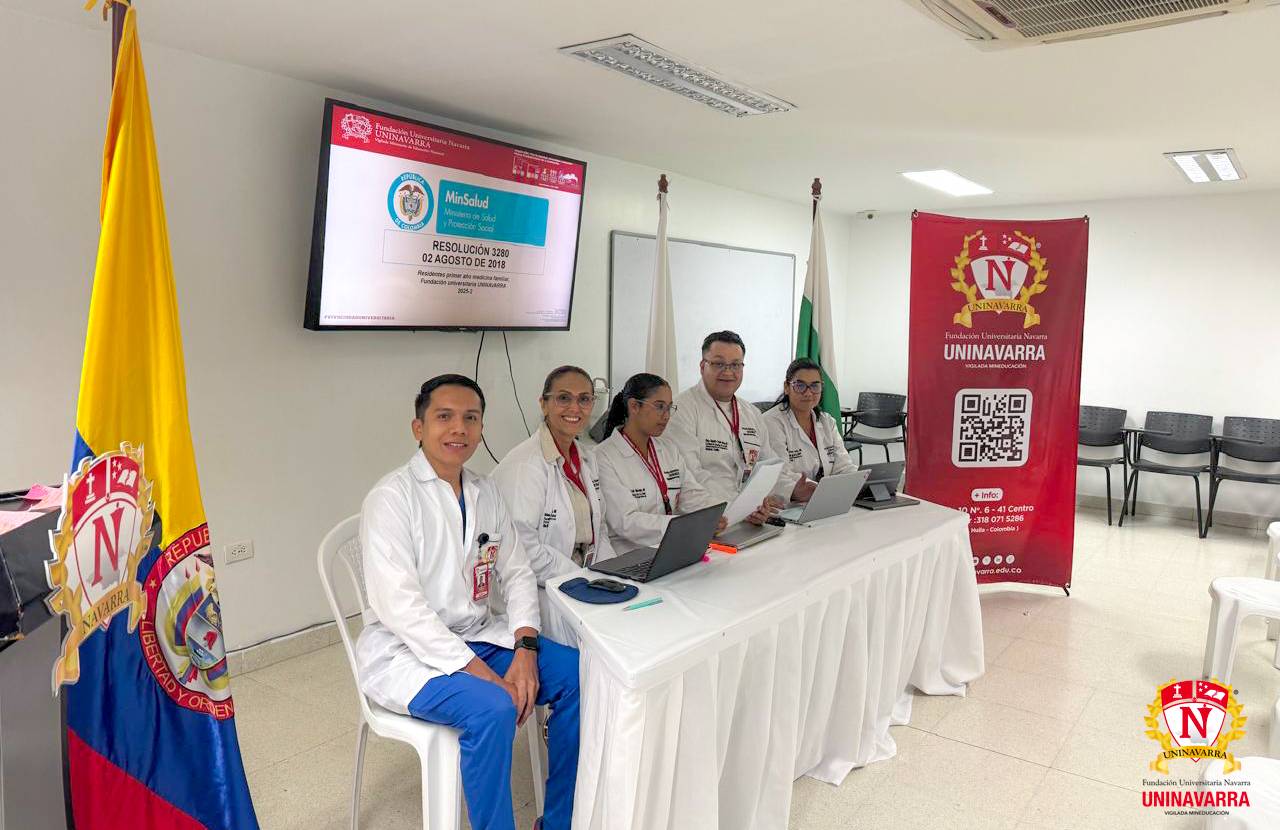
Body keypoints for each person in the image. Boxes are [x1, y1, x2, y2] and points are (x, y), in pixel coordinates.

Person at [356, 374, 579, 830]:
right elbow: (401, 609)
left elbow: (518, 573)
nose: (459, 428)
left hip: (478, 634)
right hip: (407, 652)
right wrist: (484, 676)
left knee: (579, 675)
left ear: (480, 429)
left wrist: (526, 650)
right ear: (418, 428)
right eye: (445, 416)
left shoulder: (485, 491)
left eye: (471, 418)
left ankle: (558, 822)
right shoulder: (391, 498)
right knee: (493, 707)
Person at [493, 365, 615, 585]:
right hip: (542, 586)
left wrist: (611, 574)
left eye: (584, 399)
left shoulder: (587, 458)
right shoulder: (524, 466)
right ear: (544, 404)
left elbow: (599, 528)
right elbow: (523, 549)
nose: (575, 408)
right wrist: (584, 580)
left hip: (584, 576)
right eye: (563, 398)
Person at [665, 330, 793, 522]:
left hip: (750, 517)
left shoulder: (751, 413)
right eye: (718, 364)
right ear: (702, 366)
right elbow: (690, 476)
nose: (728, 372)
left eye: (735, 365)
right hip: (707, 519)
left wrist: (764, 501)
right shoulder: (680, 410)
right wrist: (739, 507)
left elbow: (768, 465)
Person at [595, 373, 727, 551]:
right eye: (659, 407)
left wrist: (717, 514)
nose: (666, 416)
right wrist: (685, 525)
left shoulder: (668, 449)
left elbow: (692, 495)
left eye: (669, 408)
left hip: (673, 545)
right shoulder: (603, 457)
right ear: (634, 406)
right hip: (630, 554)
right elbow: (626, 522)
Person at [764, 358, 856, 501]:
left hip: (827, 498)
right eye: (800, 385)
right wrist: (821, 490)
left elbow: (843, 465)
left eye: (815, 386)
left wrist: (858, 480)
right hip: (789, 503)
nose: (808, 393)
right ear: (787, 387)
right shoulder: (771, 422)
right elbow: (781, 474)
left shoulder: (827, 422)